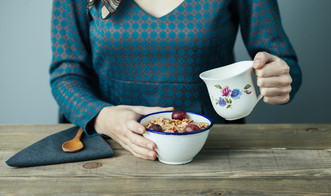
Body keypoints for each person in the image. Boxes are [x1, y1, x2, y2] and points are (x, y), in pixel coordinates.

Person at [50, 0, 302, 160]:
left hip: (213, 154)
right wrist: (103, 118)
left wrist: (278, 76)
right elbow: (66, 74)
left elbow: (286, 65)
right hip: (110, 152)